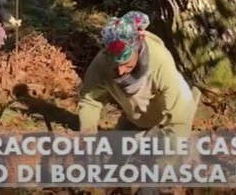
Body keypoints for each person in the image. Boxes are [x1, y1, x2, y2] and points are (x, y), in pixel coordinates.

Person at [77, 11, 201, 140]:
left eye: (126, 63)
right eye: (115, 65)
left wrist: (168, 157)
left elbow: (178, 119)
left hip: (168, 118)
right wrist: (88, 136)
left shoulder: (159, 61)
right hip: (135, 117)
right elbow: (90, 100)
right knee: (116, 152)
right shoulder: (101, 64)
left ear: (138, 49)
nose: (120, 71)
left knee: (164, 152)